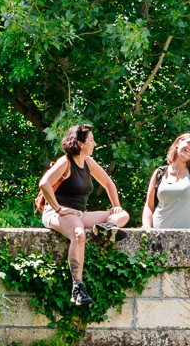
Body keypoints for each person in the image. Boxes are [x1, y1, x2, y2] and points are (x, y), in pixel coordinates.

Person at [36, 124, 130, 306]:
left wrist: (116, 207)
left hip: (79, 214)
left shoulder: (88, 163)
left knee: (123, 215)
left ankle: (108, 226)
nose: (94, 144)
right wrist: (58, 209)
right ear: (79, 143)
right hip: (58, 213)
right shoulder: (66, 162)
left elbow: (109, 184)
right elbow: (44, 184)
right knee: (78, 234)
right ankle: (77, 287)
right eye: (91, 140)